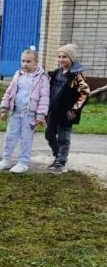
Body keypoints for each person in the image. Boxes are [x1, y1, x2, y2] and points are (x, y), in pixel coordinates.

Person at [0, 48, 49, 174]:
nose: (25, 64)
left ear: (36, 62)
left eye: (28, 61)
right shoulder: (18, 74)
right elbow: (10, 91)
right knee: (10, 136)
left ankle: (23, 162)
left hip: (30, 115)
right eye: (23, 61)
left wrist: (40, 115)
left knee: (26, 139)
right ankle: (6, 160)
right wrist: (4, 108)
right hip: (15, 113)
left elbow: (44, 97)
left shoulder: (42, 78)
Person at [45, 44, 90, 174]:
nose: (61, 59)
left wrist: (74, 109)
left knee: (64, 138)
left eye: (64, 57)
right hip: (53, 111)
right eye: (59, 57)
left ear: (71, 58)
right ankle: (57, 156)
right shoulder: (56, 73)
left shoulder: (77, 76)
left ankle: (61, 161)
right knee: (49, 134)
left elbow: (85, 93)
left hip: (67, 113)